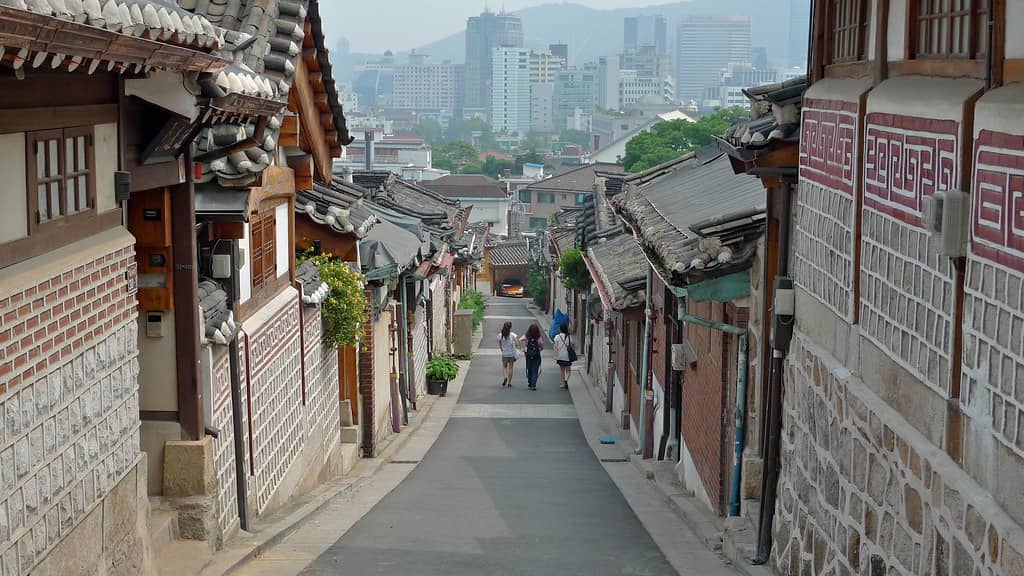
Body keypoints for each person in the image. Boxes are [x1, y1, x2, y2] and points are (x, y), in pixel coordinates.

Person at [518, 323, 545, 391]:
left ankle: (530, 382)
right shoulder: (539, 337)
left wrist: (522, 348)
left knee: (529, 369)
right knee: (535, 370)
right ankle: (533, 384)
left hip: (528, 355)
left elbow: (519, 339)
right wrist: (539, 350)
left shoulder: (527, 336)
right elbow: (542, 346)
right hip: (536, 355)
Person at [552, 323, 574, 389]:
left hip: (560, 356)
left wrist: (555, 356)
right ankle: (566, 380)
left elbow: (555, 347)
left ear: (560, 329)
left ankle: (562, 384)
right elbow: (572, 344)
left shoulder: (557, 337)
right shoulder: (569, 336)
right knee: (568, 370)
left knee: (562, 371)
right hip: (567, 356)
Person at [497, 321, 518, 387]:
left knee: (504, 367)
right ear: (510, 327)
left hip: (504, 354)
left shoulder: (500, 335)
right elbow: (517, 344)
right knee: (511, 368)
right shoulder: (512, 335)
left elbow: (500, 344)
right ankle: (509, 382)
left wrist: (502, 350)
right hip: (511, 354)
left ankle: (505, 377)